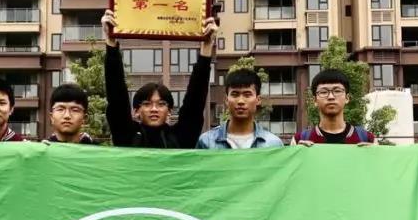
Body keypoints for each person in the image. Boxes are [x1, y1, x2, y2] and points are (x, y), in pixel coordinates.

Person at [101, 8, 217, 148]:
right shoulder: (127, 136)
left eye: (161, 104)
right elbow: (116, 97)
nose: (154, 109)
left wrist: (206, 49)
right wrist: (111, 44)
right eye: (147, 104)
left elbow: (194, 104)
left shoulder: (180, 138)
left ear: (169, 112)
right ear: (136, 111)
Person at [197, 69, 284, 149]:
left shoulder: (273, 144)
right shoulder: (207, 142)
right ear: (226, 100)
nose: (240, 101)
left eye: (247, 95)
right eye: (235, 94)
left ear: (258, 100)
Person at [294, 70, 375, 145]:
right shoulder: (300, 140)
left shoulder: (367, 139)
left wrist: (373, 152)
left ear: (347, 98)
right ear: (315, 100)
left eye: (337, 91)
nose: (331, 97)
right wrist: (298, 152)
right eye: (324, 92)